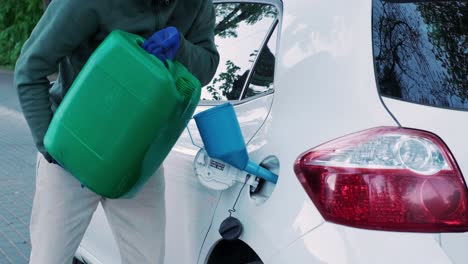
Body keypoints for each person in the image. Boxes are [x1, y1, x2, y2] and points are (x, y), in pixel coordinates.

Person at [14, 0, 219, 263]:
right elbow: (29, 69)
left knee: (147, 258)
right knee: (49, 258)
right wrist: (52, 145)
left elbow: (208, 65)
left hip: (138, 155)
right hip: (72, 150)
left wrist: (180, 47)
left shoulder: (197, 4)